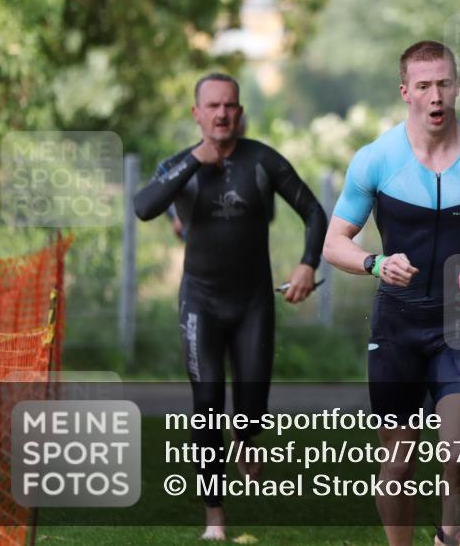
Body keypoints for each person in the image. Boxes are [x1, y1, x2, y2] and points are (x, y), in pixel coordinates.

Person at [323, 41, 460, 546]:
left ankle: (450, 530)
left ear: (456, 87)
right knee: (398, 460)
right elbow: (334, 243)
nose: (435, 95)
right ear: (405, 92)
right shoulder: (375, 160)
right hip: (397, 325)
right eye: (423, 85)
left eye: (444, 83)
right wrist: (376, 263)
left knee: (459, 455)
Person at [134, 72, 328, 540]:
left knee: (251, 406)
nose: (222, 114)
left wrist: (306, 265)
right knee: (205, 405)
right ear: (197, 114)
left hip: (253, 302)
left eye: (230, 106)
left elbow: (314, 212)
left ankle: (246, 436)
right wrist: (194, 162)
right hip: (200, 301)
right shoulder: (180, 163)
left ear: (240, 113)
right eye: (213, 106)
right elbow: (144, 206)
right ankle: (215, 518)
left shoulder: (262, 160)